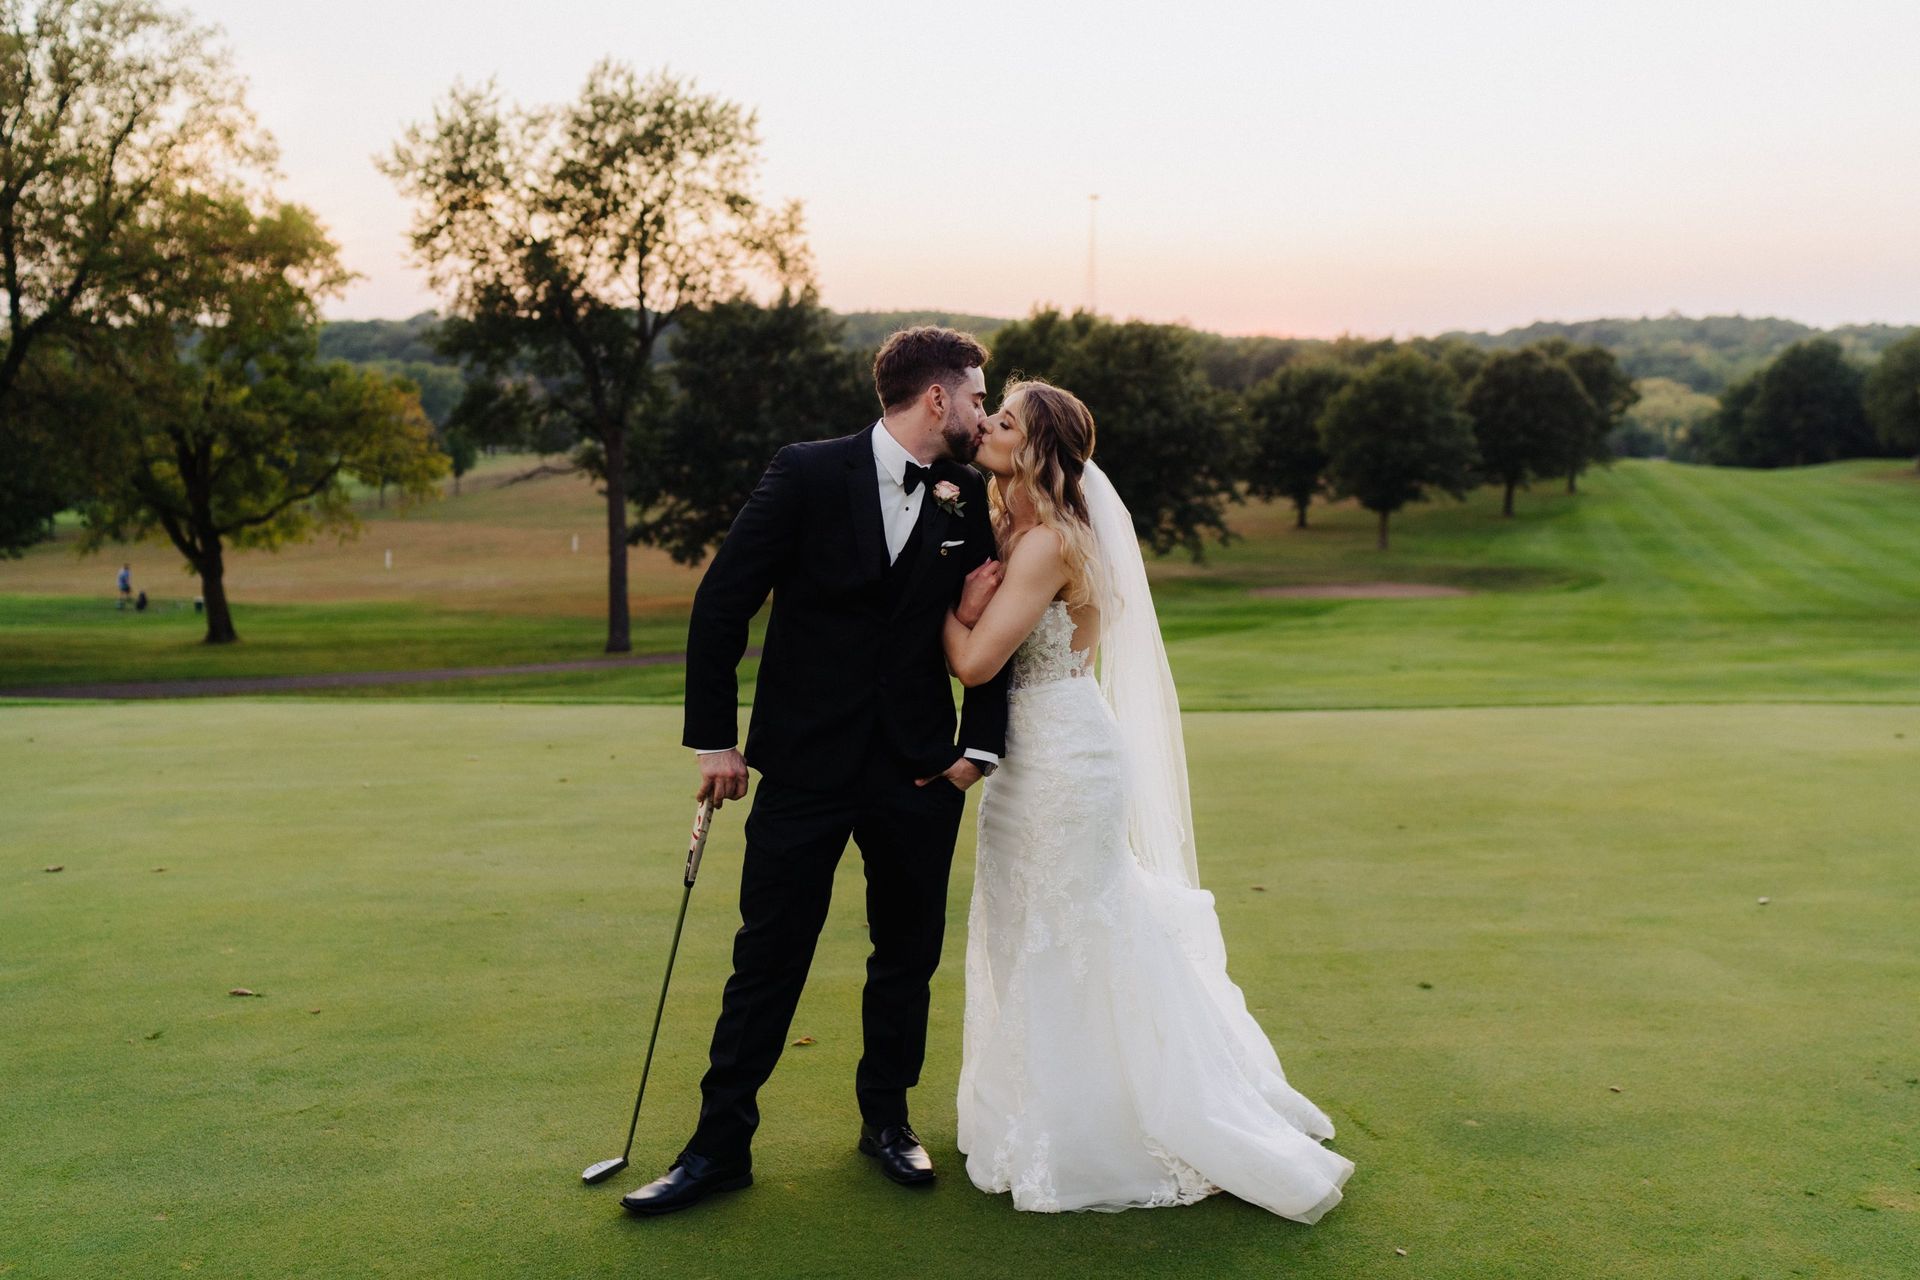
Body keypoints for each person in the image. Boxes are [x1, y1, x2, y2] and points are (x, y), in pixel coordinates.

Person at [620, 328, 1012, 1216]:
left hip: (919, 771)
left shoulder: (970, 495)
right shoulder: (804, 471)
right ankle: (719, 1147)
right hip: (802, 765)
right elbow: (723, 601)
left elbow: (1001, 622)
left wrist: (975, 749)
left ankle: (888, 1123)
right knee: (768, 957)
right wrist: (715, 740)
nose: (985, 412)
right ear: (937, 399)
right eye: (978, 396)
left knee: (906, 956)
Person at [942, 380, 1354, 1221]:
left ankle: (1101, 1126)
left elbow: (978, 663)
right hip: (1031, 753)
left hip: (1062, 755)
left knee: (1077, 929)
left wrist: (937, 611)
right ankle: (1035, 1108)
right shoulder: (1011, 523)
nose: (986, 425)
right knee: (1025, 923)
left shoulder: (1050, 541)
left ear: (1039, 449)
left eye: (1006, 420)